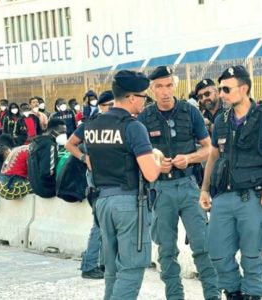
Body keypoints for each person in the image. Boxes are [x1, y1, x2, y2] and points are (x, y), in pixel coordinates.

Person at [199, 65, 262, 300]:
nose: (221, 94)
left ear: (244, 88)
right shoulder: (221, 120)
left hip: (252, 198)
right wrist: (204, 189)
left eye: (226, 89)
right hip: (222, 197)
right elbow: (213, 155)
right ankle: (233, 293)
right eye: (220, 89)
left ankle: (253, 294)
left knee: (252, 256)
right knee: (217, 254)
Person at [138, 66, 219, 300]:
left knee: (203, 246)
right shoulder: (144, 118)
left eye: (169, 85)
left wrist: (189, 158)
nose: (165, 92)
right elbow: (139, 157)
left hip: (188, 186)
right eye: (159, 87)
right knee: (166, 251)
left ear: (175, 86)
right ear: (151, 90)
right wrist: (156, 164)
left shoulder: (190, 112)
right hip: (161, 189)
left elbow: (209, 149)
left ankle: (213, 296)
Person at [84, 70, 161, 299]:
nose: (145, 102)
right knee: (132, 268)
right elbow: (150, 173)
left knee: (112, 270)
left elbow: (90, 162)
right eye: (144, 97)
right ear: (131, 98)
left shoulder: (93, 124)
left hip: (102, 202)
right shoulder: (133, 126)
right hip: (129, 203)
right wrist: (156, 157)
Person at [65, 90, 114, 280]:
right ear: (101, 106)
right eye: (108, 105)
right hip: (97, 178)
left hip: (110, 177)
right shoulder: (90, 124)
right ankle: (90, 264)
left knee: (105, 223)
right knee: (99, 223)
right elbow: (70, 144)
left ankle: (101, 263)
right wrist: (84, 158)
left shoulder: (117, 123)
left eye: (113, 104)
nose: (112, 108)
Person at [26, 119, 67, 198]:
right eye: (62, 132)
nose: (64, 135)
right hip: (48, 190)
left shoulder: (35, 143)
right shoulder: (50, 145)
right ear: (52, 131)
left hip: (35, 187)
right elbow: (47, 173)